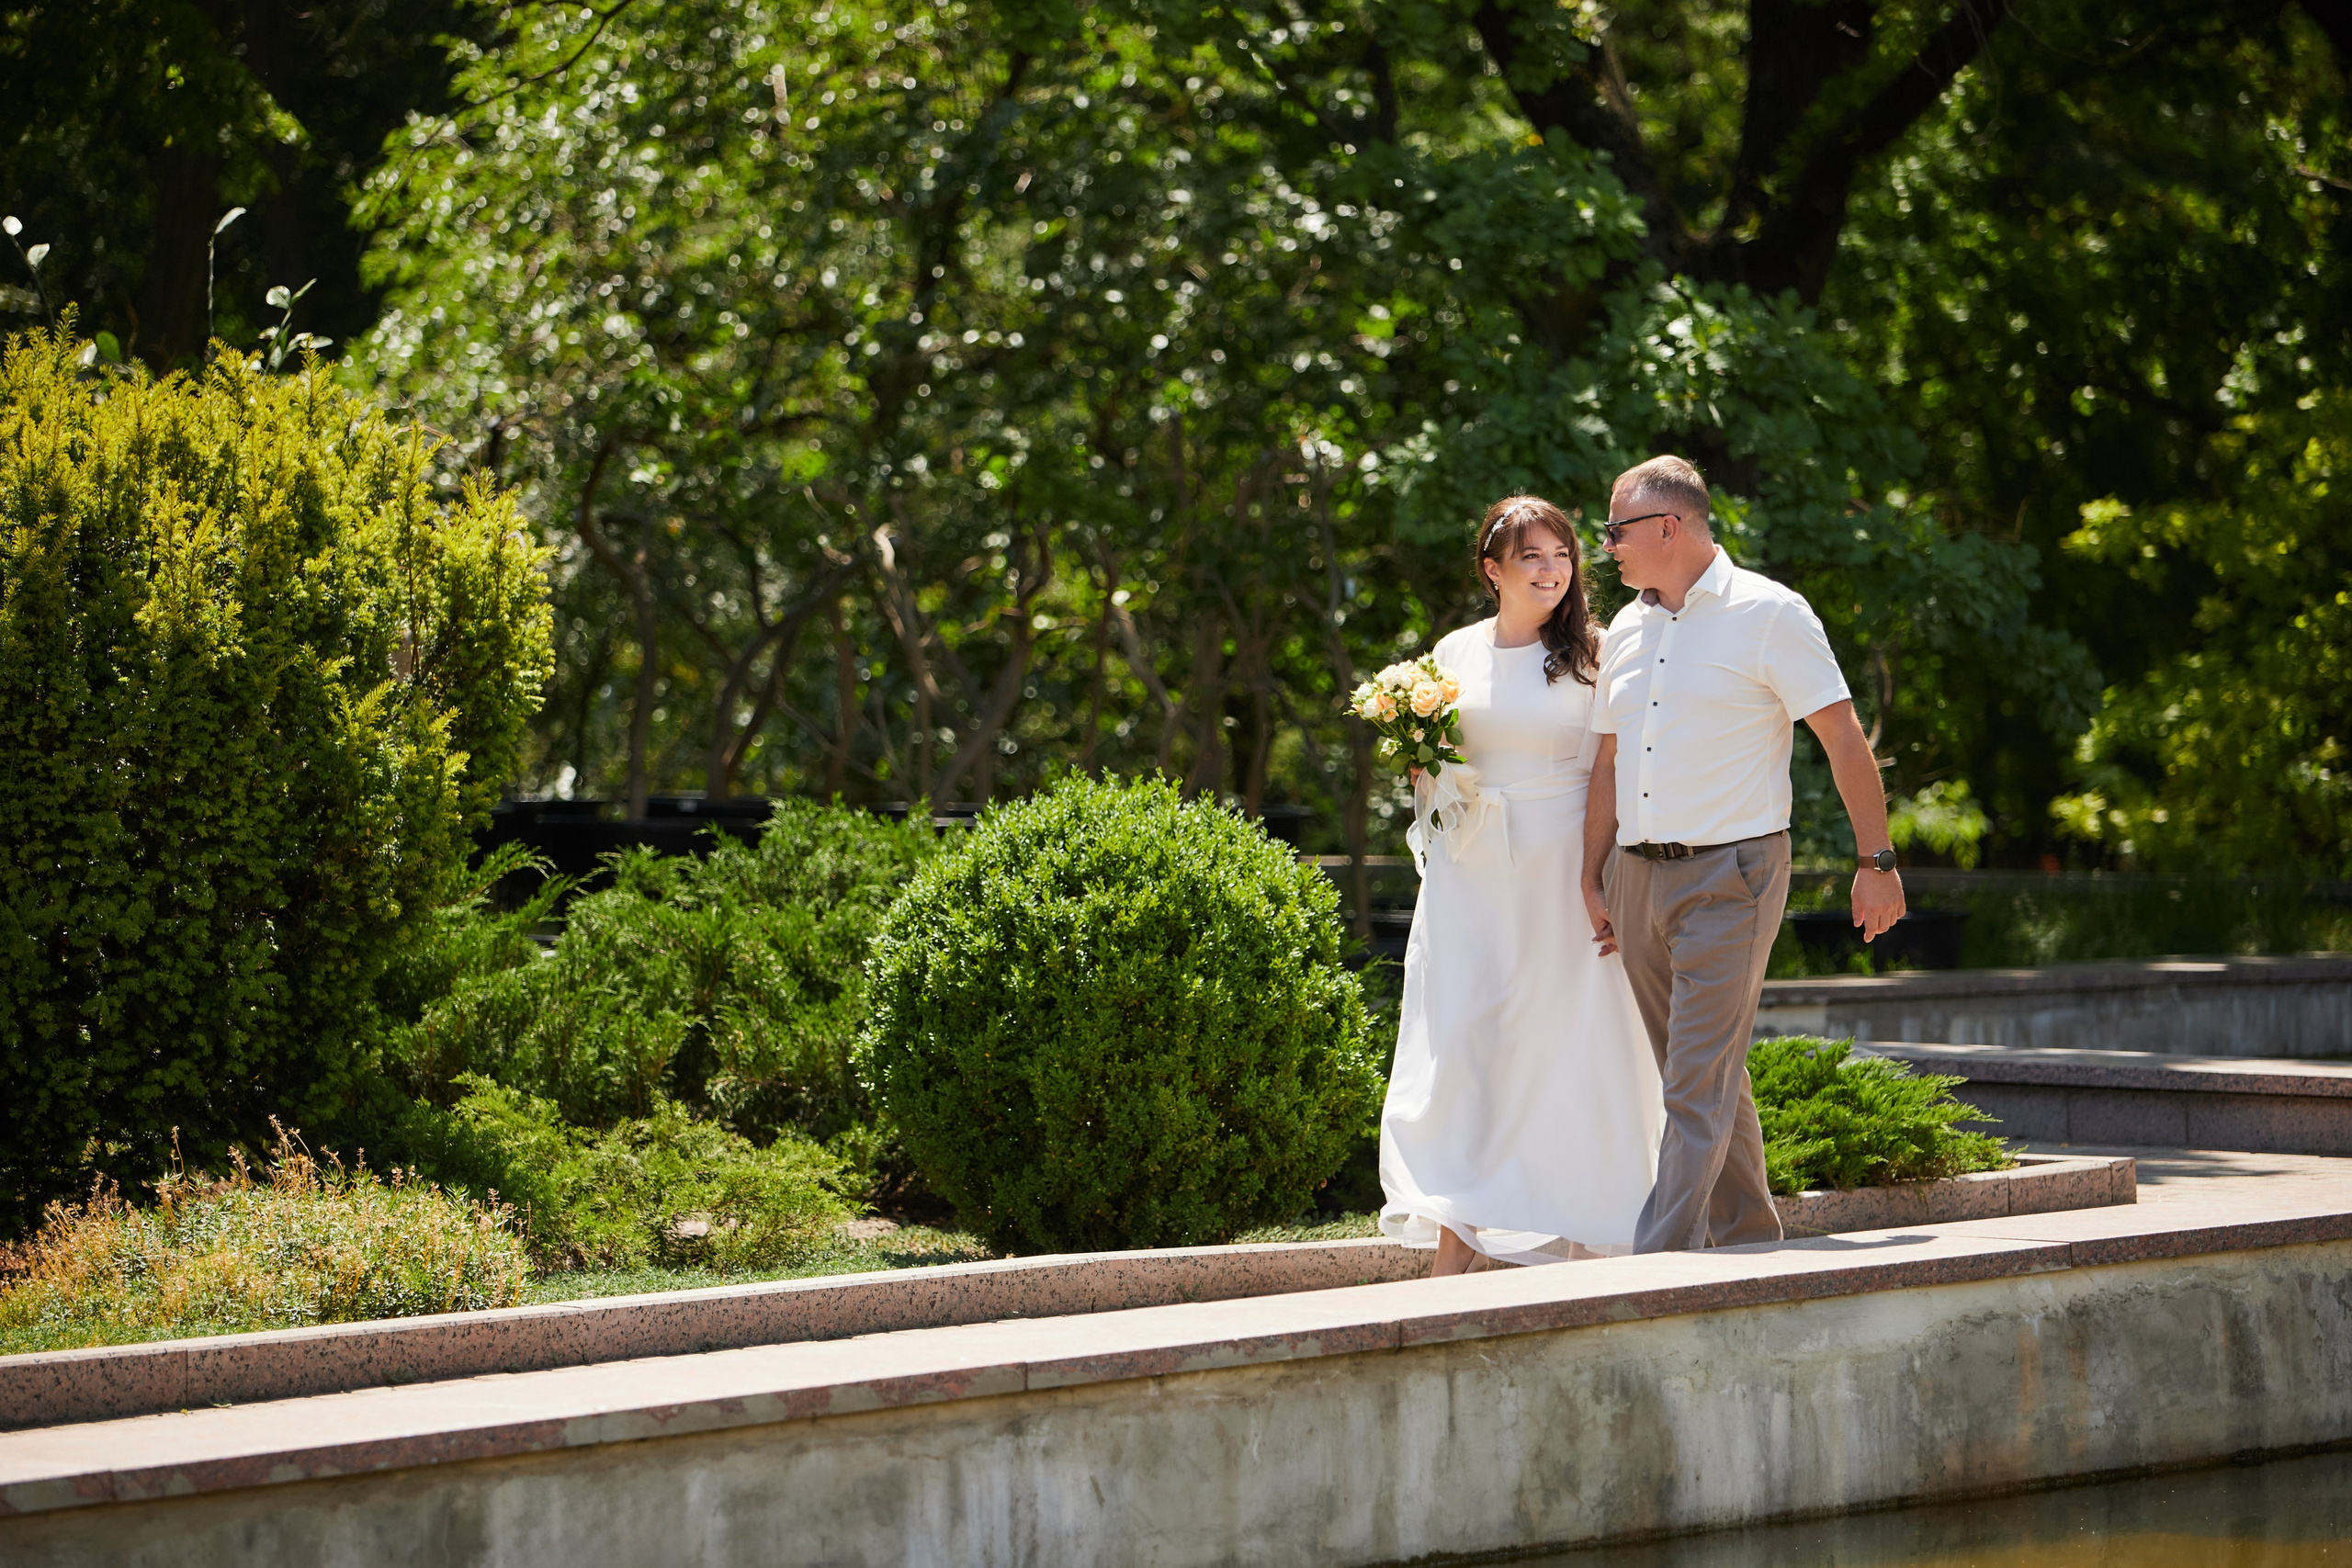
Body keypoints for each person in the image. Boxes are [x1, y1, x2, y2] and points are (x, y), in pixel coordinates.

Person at [1581, 455, 1905, 1254]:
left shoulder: (1772, 612)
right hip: (1636, 876)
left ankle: (1653, 1264)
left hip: (1734, 875)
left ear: (1670, 526)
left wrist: (1878, 863)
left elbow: (1842, 737)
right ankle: (1754, 1238)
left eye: (1617, 530)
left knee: (1694, 1084)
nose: (1608, 548)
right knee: (1702, 1072)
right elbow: (1608, 762)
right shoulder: (1627, 626)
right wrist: (1591, 875)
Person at [1378, 495, 1665, 1276]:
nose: (1551, 570)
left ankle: (1586, 1234)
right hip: (1471, 872)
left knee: (1570, 1046)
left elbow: (1610, 766)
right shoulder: (1453, 653)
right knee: (1469, 1047)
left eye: (1562, 555)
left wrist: (1593, 871)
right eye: (1532, 556)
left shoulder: (1597, 652)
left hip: (1563, 868)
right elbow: (1439, 755)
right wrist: (1423, 766)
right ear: (1492, 570)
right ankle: (1457, 1240)